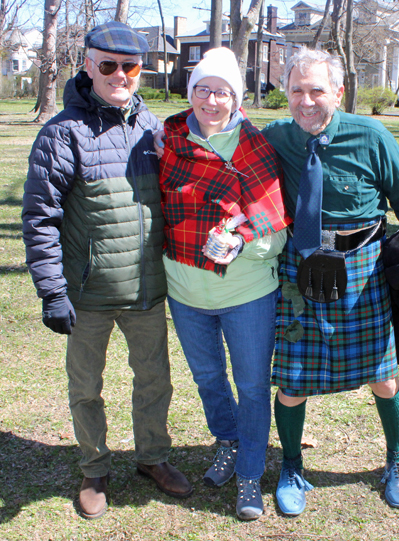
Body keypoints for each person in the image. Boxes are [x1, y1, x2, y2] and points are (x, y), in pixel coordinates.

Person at [22, 21, 192, 521]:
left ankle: (153, 457)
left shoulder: (156, 130)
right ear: (88, 65)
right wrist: (52, 290)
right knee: (86, 386)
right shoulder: (61, 134)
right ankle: (94, 467)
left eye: (130, 66)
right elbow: (40, 217)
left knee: (154, 380)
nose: (120, 75)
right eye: (108, 65)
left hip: (146, 289)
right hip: (87, 292)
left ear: (141, 70)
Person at [261, 47, 399, 516]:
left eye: (317, 90)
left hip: (362, 269)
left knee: (383, 378)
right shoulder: (274, 136)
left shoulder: (372, 135)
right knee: (292, 382)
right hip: (300, 269)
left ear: (338, 93)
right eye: (296, 90)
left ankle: (395, 459)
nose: (306, 100)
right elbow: (217, 134)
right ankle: (292, 466)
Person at [158, 47, 291, 520]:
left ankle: (252, 472)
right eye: (203, 89)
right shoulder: (167, 142)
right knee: (208, 378)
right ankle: (228, 442)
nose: (212, 100)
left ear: (236, 98)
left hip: (248, 294)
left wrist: (241, 245)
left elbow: (276, 225)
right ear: (190, 92)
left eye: (223, 91)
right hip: (186, 291)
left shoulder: (257, 147)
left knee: (252, 387)